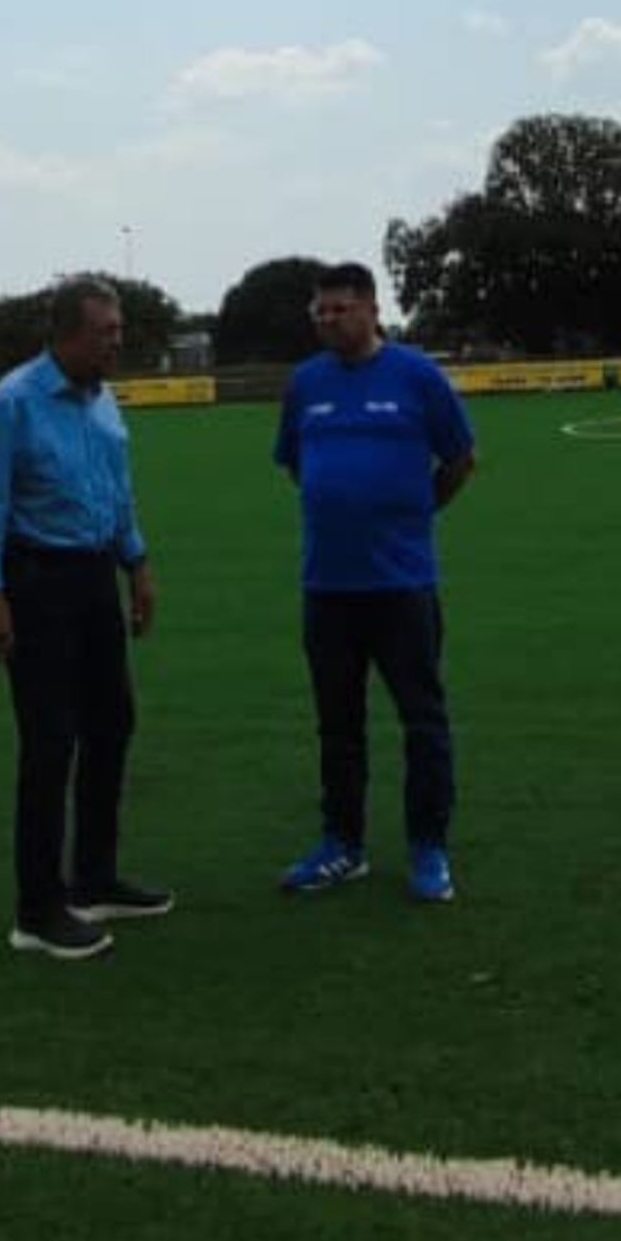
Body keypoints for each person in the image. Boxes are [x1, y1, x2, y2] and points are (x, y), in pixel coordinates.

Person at [0, 275, 170, 960]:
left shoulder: (104, 403)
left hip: (93, 578)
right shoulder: (13, 404)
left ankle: (93, 878)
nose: (119, 342)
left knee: (113, 722)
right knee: (50, 743)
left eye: (119, 330)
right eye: (107, 331)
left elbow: (118, 491)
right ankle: (37, 910)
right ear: (69, 334)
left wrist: (136, 564)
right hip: (35, 581)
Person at [271, 262, 478, 904]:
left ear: (369, 308)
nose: (326, 321)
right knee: (338, 725)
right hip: (328, 587)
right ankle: (343, 844)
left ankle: (428, 847)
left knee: (423, 720)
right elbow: (297, 466)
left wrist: (409, 513)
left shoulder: (417, 375)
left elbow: (460, 459)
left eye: (338, 309)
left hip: (402, 585)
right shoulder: (305, 384)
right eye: (318, 312)